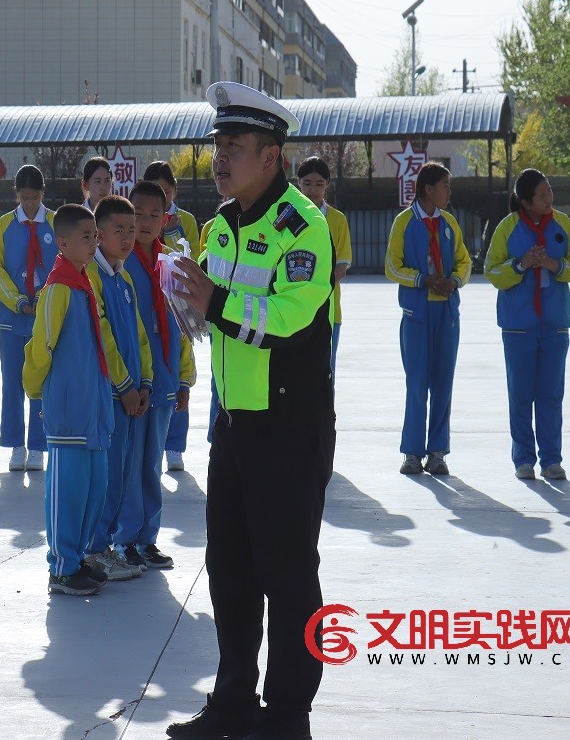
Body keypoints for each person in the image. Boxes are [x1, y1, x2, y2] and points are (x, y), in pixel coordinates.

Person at [168, 81, 335, 740]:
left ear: (271, 156)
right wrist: (187, 303)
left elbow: (290, 318)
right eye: (217, 146)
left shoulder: (302, 224)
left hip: (288, 427)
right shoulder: (222, 226)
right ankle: (234, 699)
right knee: (230, 571)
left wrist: (213, 302)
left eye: (233, 147)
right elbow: (218, 320)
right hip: (233, 423)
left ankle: (289, 712)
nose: (219, 159)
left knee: (288, 574)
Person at [23, 204, 114, 596]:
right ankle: (61, 567)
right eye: (86, 237)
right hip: (68, 409)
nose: (94, 243)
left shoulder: (84, 283)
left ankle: (77, 559)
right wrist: (37, 390)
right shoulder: (58, 287)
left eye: (95, 236)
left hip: (92, 408)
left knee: (93, 488)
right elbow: (41, 344)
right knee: (67, 491)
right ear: (62, 243)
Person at [485, 168, 570, 481]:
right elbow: (492, 272)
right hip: (518, 327)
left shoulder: (563, 224)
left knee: (551, 396)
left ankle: (552, 460)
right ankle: (524, 460)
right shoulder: (507, 228)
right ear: (525, 202)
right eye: (542, 195)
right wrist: (521, 264)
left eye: (549, 191)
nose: (549, 198)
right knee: (520, 396)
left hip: (555, 326)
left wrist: (554, 265)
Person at [122, 181, 194, 572]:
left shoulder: (170, 263)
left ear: (166, 219)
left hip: (164, 380)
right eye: (138, 214)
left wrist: (183, 379)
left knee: (151, 464)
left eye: (154, 215)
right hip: (133, 384)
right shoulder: (117, 261)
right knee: (129, 463)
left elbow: (183, 325)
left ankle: (147, 539)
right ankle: (124, 539)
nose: (145, 222)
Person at [385, 161, 471, 476]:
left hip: (446, 313)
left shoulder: (449, 223)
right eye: (445, 186)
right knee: (417, 383)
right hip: (417, 314)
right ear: (428, 189)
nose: (449, 192)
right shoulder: (404, 222)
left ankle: (437, 452)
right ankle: (412, 453)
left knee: (443, 384)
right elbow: (391, 266)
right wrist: (423, 279)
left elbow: (464, 261)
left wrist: (454, 281)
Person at [84, 195, 151, 583]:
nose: (127, 238)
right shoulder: (92, 277)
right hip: (109, 397)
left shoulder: (123, 278)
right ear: (98, 234)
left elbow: (139, 336)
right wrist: (124, 385)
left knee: (123, 475)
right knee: (105, 478)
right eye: (118, 230)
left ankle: (106, 546)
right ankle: (94, 549)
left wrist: (145, 383)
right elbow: (103, 336)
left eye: (131, 230)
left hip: (130, 397)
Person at [0, 164, 57, 472]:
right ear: (16, 194)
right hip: (12, 317)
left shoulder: (55, 223)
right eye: (24, 198)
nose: (30, 204)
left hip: (44, 317)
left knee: (41, 381)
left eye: (35, 198)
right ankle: (16, 445)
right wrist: (16, 300)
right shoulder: (5, 224)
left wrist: (44, 297)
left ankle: (38, 446)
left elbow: (61, 264)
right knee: (12, 383)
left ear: (43, 194)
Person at [143, 161, 200, 473]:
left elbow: (191, 255)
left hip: (178, 298)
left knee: (179, 369)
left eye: (165, 191)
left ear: (174, 190)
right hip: (150, 297)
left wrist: (172, 230)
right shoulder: (138, 216)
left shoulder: (185, 219)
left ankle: (175, 446)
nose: (162, 196)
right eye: (155, 190)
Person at [295, 157, 351, 379]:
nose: (313, 190)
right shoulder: (288, 216)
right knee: (294, 372)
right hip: (292, 306)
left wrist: (316, 290)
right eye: (307, 183)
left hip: (328, 309)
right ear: (298, 183)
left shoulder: (337, 220)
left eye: (319, 184)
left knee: (325, 372)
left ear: (327, 185)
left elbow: (342, 266)